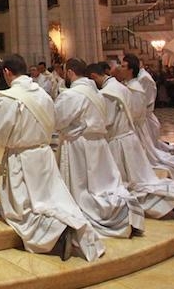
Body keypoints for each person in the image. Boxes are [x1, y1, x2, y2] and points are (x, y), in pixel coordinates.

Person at [0, 54, 103, 261]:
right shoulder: (43, 94)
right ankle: (71, 223)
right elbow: (54, 121)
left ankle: (57, 230)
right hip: (44, 154)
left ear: (6, 72)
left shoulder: (9, 98)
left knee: (21, 210)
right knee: (51, 199)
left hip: (21, 159)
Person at [54, 58, 144, 238]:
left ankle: (105, 215)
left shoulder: (72, 95)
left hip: (79, 146)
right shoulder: (96, 92)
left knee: (83, 189)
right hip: (99, 144)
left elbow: (58, 120)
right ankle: (122, 213)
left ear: (70, 72)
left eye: (65, 72)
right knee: (100, 185)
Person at [88, 62, 174, 220]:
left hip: (119, 141)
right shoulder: (120, 87)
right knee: (139, 179)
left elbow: (108, 121)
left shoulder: (108, 93)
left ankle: (166, 201)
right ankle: (169, 200)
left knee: (131, 185)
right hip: (128, 136)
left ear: (94, 76)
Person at [121, 55, 174, 182]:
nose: (120, 68)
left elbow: (143, 104)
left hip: (144, 120)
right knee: (152, 150)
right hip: (140, 121)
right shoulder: (132, 82)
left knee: (153, 152)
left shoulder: (143, 80)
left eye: (123, 66)